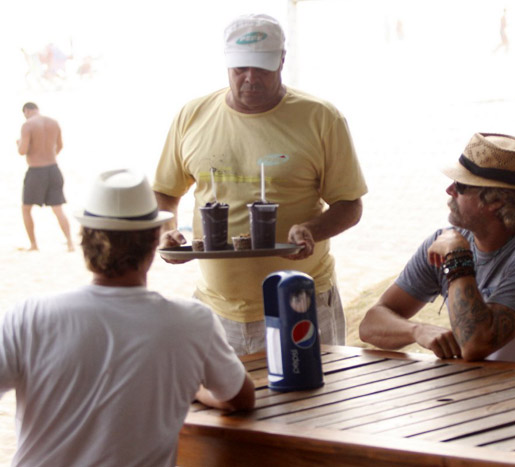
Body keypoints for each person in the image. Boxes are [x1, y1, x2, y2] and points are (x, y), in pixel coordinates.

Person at [0, 169, 255, 466]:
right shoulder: (193, 323)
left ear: (86, 242)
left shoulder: (29, 317)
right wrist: (196, 388)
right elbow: (239, 397)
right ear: (152, 243)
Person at [154, 14, 367, 355]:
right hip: (216, 309)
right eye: (240, 68)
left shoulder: (321, 118)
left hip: (300, 301)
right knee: (222, 408)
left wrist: (311, 229)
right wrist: (166, 231)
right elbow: (165, 191)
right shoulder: (192, 116)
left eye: (263, 67)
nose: (251, 78)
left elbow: (349, 204)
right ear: (226, 64)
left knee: (312, 405)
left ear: (282, 60)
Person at [359, 133, 515, 366]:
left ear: (496, 201)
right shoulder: (444, 241)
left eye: (461, 185)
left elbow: (475, 344)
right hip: (481, 392)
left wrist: (457, 258)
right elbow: (370, 324)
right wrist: (417, 331)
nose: (449, 190)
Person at [16, 102, 74, 251]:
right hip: (53, 169)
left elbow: (23, 150)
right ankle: (69, 242)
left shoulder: (27, 125)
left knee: (26, 208)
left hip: (36, 171)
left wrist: (18, 143)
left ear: (27, 111)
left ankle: (34, 244)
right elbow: (60, 146)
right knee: (58, 208)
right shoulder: (53, 123)